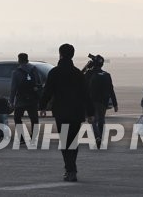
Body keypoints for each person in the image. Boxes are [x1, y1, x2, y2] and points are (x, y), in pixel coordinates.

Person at [39, 43, 89, 183]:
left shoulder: (54, 72)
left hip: (62, 112)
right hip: (77, 112)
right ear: (72, 55)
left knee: (65, 141)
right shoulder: (78, 73)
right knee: (73, 141)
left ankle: (70, 170)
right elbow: (86, 94)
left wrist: (42, 106)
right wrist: (90, 113)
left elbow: (47, 91)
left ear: (60, 54)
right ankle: (71, 169)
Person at [83, 54, 117, 148]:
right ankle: (100, 137)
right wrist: (115, 104)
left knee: (93, 120)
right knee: (101, 119)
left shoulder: (89, 73)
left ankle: (97, 136)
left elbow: (82, 84)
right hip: (103, 101)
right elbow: (111, 90)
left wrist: (86, 67)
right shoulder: (107, 75)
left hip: (91, 100)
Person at [9, 53, 41, 144]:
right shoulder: (34, 69)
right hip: (32, 98)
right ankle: (34, 137)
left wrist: (11, 101)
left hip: (21, 99)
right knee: (34, 118)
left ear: (19, 60)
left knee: (17, 118)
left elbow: (13, 88)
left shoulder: (16, 72)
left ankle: (21, 138)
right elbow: (38, 83)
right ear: (27, 59)